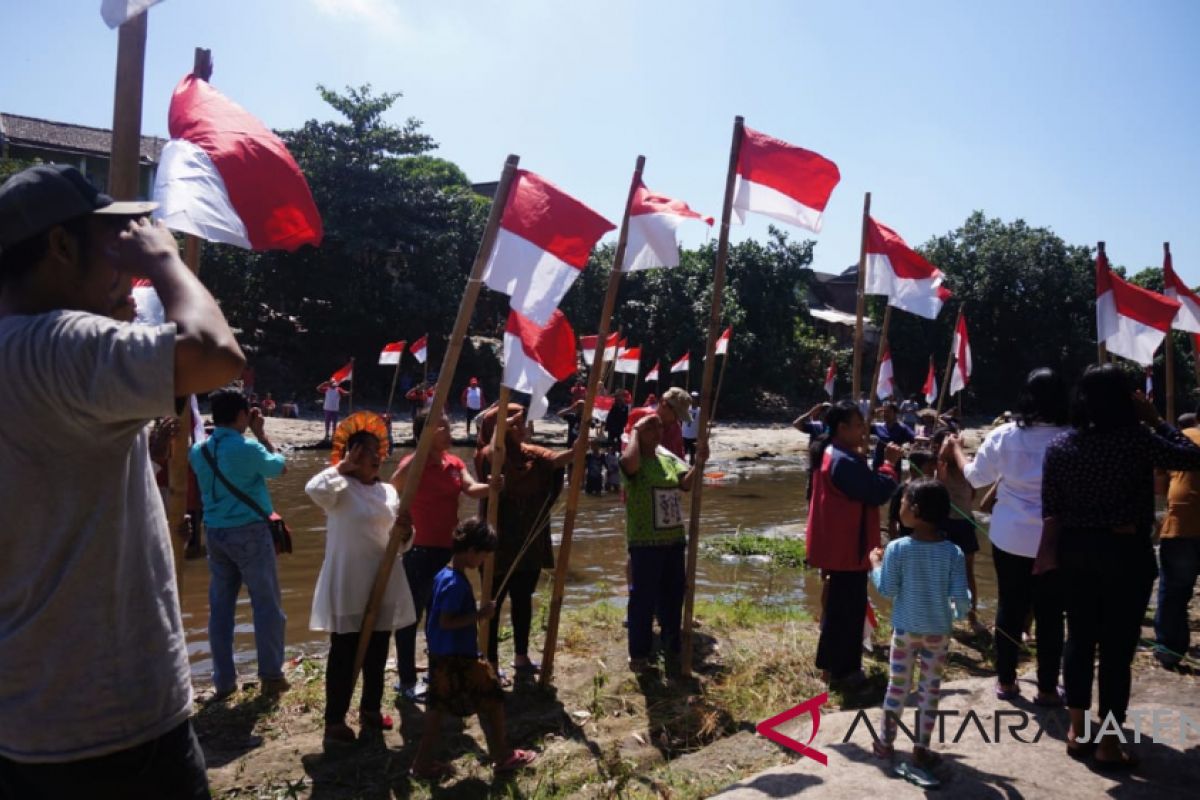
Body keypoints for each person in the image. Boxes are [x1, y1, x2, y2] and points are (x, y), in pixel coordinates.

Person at [0, 164, 243, 798]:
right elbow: (215, 353)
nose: (124, 268)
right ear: (59, 246)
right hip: (113, 724)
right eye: (111, 246)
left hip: (21, 715)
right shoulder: (58, 344)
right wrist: (166, 260)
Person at [1042, 364, 1200, 769]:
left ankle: (1077, 731)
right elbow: (1193, 457)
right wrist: (1157, 420)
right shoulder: (1138, 440)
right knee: (1116, 651)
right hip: (1125, 553)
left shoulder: (1060, 447)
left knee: (1077, 639)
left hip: (1075, 551)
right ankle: (1109, 742)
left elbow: (1052, 509)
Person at [943, 367, 1069, 705]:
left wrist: (956, 448)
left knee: (1010, 606)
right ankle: (1046, 686)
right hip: (1056, 540)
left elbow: (976, 477)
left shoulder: (1005, 435)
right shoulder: (1073, 436)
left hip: (1010, 536)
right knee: (1051, 613)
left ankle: (1007, 680)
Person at [305, 414, 414, 749]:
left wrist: (407, 532)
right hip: (348, 579)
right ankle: (334, 720)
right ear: (350, 455)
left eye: (376, 449)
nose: (374, 455)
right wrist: (341, 469)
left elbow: (401, 539)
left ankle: (370, 708)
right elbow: (313, 490)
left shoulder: (387, 491)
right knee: (343, 651)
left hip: (383, 578)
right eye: (365, 450)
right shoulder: (339, 488)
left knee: (379, 650)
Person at [409, 519, 537, 780]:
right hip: (458, 659)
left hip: (441, 657)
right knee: (494, 699)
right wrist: (480, 615)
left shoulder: (443, 575)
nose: (484, 559)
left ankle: (421, 765)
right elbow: (446, 621)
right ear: (471, 551)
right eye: (484, 554)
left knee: (436, 712)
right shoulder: (454, 584)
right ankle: (503, 757)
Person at [190, 388, 289, 700]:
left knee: (220, 609)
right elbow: (279, 466)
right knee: (267, 606)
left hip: (215, 533)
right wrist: (262, 435)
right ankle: (271, 675)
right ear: (243, 415)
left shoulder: (198, 451)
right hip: (249, 533)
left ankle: (224, 682)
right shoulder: (246, 447)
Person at [391, 407, 491, 702]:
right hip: (418, 551)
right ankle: (407, 680)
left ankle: (439, 671)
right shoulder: (415, 463)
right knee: (411, 617)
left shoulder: (454, 462)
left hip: (449, 552)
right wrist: (420, 453)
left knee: (442, 616)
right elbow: (394, 485)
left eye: (448, 426)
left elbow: (472, 489)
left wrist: (494, 485)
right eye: (443, 427)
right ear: (427, 432)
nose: (449, 431)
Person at [870, 479, 970, 772]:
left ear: (914, 510)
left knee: (897, 688)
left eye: (902, 502)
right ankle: (921, 749)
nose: (898, 507)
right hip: (938, 635)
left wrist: (874, 565)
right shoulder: (953, 552)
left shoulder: (898, 548)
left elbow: (886, 590)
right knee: (929, 691)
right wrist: (956, 612)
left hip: (905, 633)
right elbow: (962, 602)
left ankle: (885, 743)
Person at [806, 401, 900, 686]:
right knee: (846, 611)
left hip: (842, 544)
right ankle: (843, 672)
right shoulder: (842, 460)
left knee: (842, 608)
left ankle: (833, 668)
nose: (864, 430)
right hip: (848, 547)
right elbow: (876, 492)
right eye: (859, 425)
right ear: (842, 428)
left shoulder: (836, 453)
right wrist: (889, 465)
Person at [477, 407, 575, 675]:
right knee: (492, 603)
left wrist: (579, 447)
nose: (523, 429)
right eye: (515, 425)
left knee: (522, 599)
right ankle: (490, 662)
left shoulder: (532, 453)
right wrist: (502, 427)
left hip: (528, 540)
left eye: (521, 424)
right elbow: (494, 456)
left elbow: (557, 461)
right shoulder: (487, 455)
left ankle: (521, 657)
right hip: (497, 542)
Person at [621, 411, 706, 672]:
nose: (657, 433)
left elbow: (686, 484)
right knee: (643, 599)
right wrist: (636, 430)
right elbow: (631, 466)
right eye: (650, 428)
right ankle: (639, 654)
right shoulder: (630, 458)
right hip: (645, 541)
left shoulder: (667, 457)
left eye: (659, 427)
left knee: (673, 595)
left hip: (672, 539)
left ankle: (672, 644)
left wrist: (700, 462)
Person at [1152, 404, 1200, 669]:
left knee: (1174, 592)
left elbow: (1160, 488)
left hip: (1183, 524)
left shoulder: (1178, 440)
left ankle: (1170, 650)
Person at [930, 428, 981, 630]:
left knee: (968, 570)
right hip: (945, 523)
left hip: (964, 521)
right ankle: (942, 617)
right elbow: (939, 481)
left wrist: (955, 448)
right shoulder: (939, 464)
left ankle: (972, 617)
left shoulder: (966, 463)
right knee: (942, 571)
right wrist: (946, 448)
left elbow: (974, 487)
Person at [625, 386, 691, 460]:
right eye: (676, 414)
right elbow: (627, 452)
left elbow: (679, 455)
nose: (677, 419)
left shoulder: (675, 427)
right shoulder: (640, 417)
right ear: (664, 404)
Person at [887, 451, 936, 541]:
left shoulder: (932, 489)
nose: (933, 471)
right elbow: (892, 521)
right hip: (907, 539)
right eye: (929, 467)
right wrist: (893, 542)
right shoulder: (902, 490)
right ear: (914, 468)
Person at [793, 401, 831, 503]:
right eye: (823, 411)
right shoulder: (816, 426)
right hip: (814, 464)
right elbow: (796, 424)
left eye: (828, 411)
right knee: (811, 494)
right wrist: (810, 413)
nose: (826, 413)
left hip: (829, 465)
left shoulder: (837, 428)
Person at [872, 401, 916, 469]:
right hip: (878, 463)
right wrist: (872, 416)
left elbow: (914, 439)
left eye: (888, 411)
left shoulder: (902, 428)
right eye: (884, 411)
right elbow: (863, 428)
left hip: (894, 465)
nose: (885, 414)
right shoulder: (877, 426)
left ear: (895, 413)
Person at [681, 391, 701, 463]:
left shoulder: (699, 410)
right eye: (692, 398)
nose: (693, 400)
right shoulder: (685, 408)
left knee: (692, 455)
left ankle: (692, 469)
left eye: (695, 398)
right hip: (685, 435)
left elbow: (702, 423)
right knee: (683, 454)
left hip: (694, 436)